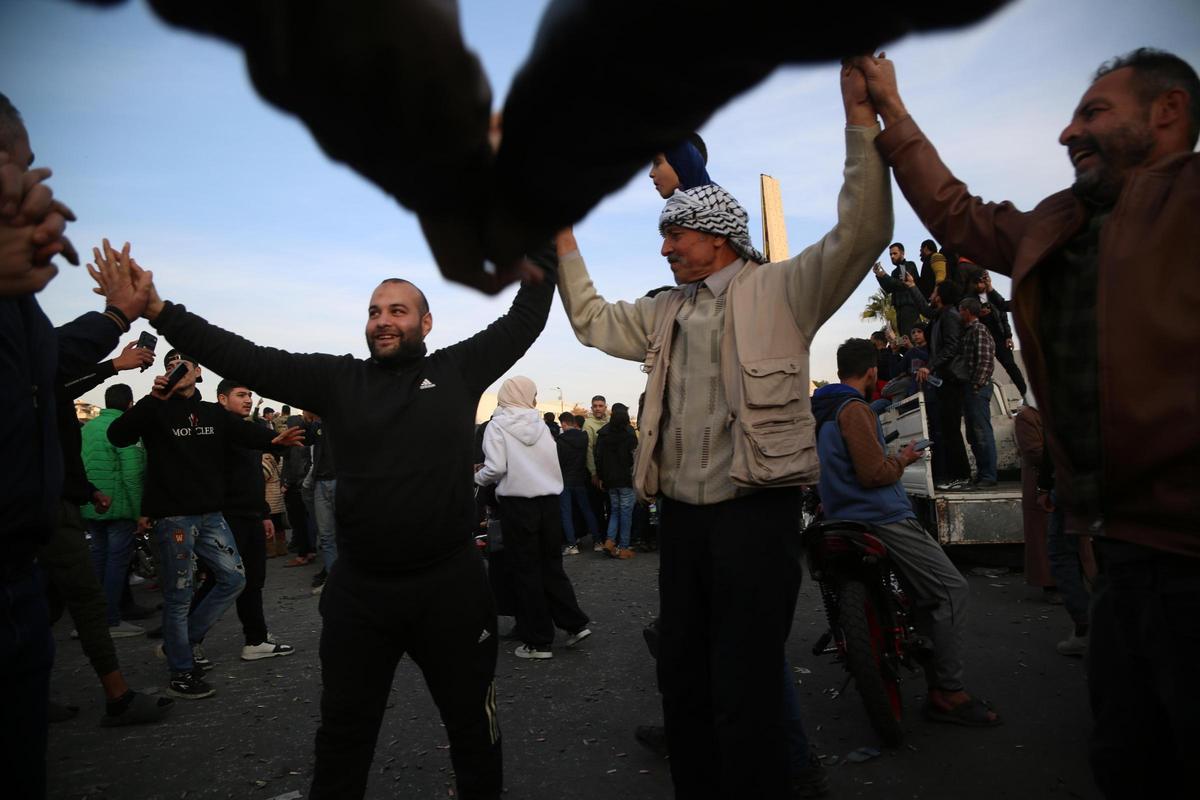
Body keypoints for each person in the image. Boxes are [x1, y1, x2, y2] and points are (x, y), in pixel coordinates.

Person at [856, 47, 1200, 797]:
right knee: (1127, 755)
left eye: (1094, 112)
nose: (1067, 132)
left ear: (1168, 113)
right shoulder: (1063, 224)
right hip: (1116, 546)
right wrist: (890, 106)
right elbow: (956, 211)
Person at [111, 241, 556, 799]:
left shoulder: (458, 369)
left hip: (452, 588)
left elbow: (525, 317)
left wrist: (544, 239)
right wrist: (159, 310)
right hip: (362, 593)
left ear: (426, 321)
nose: (383, 321)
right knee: (344, 735)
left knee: (474, 730)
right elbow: (247, 357)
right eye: (374, 311)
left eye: (397, 310)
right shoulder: (339, 381)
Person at [553, 64, 890, 798]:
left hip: (755, 516)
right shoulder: (663, 310)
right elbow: (590, 321)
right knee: (683, 675)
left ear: (718, 235)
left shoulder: (783, 291)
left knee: (747, 685)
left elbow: (864, 230)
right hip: (681, 523)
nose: (665, 247)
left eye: (675, 233)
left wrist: (861, 121)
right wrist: (564, 239)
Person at [813, 338, 998, 726]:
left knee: (919, 593)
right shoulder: (854, 409)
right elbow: (873, 473)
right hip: (881, 515)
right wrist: (904, 458)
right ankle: (948, 692)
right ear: (871, 372)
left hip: (839, 515)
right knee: (950, 590)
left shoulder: (822, 409)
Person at [107, 349, 301, 698]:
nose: (177, 371)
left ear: (198, 373)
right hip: (173, 518)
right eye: (171, 366)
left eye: (185, 366)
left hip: (211, 515)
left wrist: (275, 440)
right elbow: (118, 435)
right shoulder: (154, 410)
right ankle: (181, 670)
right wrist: (153, 399)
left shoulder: (212, 413)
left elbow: (245, 434)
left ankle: (182, 642)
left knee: (234, 578)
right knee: (179, 594)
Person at [476, 377, 591, 659]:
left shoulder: (497, 426)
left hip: (517, 505)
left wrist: (476, 477)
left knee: (525, 572)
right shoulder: (541, 425)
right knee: (551, 565)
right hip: (549, 502)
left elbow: (495, 467)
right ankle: (574, 624)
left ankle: (538, 641)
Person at [211, 377, 296, 660]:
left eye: (249, 395)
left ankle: (255, 639)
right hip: (225, 517)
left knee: (254, 579)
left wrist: (263, 514)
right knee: (221, 580)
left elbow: (252, 478)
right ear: (222, 399)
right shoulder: (216, 430)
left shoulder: (250, 431)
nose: (247, 400)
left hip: (251, 515)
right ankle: (185, 639)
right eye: (240, 395)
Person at [80, 380, 150, 636]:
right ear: (130, 404)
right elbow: (132, 475)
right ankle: (110, 620)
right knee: (116, 564)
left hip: (92, 505)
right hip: (119, 507)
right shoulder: (125, 428)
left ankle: (93, 620)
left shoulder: (87, 428)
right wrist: (138, 512)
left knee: (98, 561)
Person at [905, 275, 972, 489]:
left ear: (941, 296)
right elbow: (925, 310)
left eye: (934, 291)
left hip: (951, 379)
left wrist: (929, 366)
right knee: (946, 429)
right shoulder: (939, 315)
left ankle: (961, 475)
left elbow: (951, 347)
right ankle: (956, 475)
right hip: (944, 380)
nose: (931, 294)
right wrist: (913, 287)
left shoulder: (950, 317)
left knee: (951, 429)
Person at [966, 267, 1027, 396]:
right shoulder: (969, 298)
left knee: (1011, 366)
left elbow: (1003, 313)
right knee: (983, 368)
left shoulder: (993, 295)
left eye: (983, 280)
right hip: (983, 338)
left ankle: (1025, 393)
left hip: (999, 336)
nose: (981, 284)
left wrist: (1008, 336)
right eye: (978, 281)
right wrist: (979, 314)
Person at [957, 297, 997, 488]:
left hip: (977, 388)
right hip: (970, 388)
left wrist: (976, 384)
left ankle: (989, 475)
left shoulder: (978, 329)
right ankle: (983, 474)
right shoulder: (967, 332)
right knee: (973, 434)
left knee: (981, 431)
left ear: (967, 311)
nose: (958, 314)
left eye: (960, 310)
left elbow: (986, 359)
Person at [594, 402, 638, 559]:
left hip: (609, 480)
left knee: (614, 511)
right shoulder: (630, 433)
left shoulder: (604, 433)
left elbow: (598, 457)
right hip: (626, 480)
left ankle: (610, 541)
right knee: (626, 513)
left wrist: (600, 476)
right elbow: (634, 458)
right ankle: (623, 548)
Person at [556, 411, 599, 555]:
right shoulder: (584, 437)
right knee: (587, 510)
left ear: (563, 423)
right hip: (580, 479)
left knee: (566, 513)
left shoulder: (559, 440)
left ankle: (572, 545)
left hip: (565, 480)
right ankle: (598, 541)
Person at [871, 242, 920, 336]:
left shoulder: (907, 265)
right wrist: (879, 276)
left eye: (895, 253)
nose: (892, 256)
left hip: (909, 308)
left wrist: (884, 275)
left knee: (910, 337)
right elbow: (889, 289)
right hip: (900, 310)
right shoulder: (895, 271)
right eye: (890, 254)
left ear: (902, 253)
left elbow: (902, 284)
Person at [582, 394, 610, 550]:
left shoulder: (611, 422)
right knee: (597, 507)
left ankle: (610, 539)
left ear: (605, 407)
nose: (598, 408)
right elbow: (588, 450)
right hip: (596, 473)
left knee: (612, 506)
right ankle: (598, 539)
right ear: (591, 408)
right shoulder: (588, 424)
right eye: (595, 406)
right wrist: (593, 472)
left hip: (610, 473)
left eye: (601, 405)